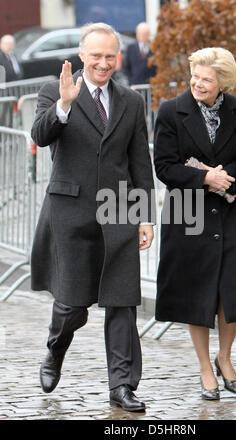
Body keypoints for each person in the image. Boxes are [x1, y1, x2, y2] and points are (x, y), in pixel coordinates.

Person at [30, 22, 155, 412]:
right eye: (96, 56)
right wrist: (64, 105)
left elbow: (139, 163)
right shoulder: (56, 90)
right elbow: (40, 134)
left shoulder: (131, 101)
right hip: (69, 212)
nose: (103, 63)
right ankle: (55, 350)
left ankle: (122, 385)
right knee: (72, 305)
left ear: (118, 58)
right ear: (82, 56)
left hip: (118, 212)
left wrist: (145, 217)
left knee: (122, 302)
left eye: (109, 56)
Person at [154, 47, 236, 400]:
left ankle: (225, 357)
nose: (198, 83)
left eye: (207, 79)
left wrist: (224, 178)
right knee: (196, 292)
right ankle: (205, 367)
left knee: (231, 288)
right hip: (188, 213)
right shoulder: (172, 111)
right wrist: (204, 180)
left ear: (223, 82)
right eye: (195, 76)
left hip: (228, 210)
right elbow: (165, 167)